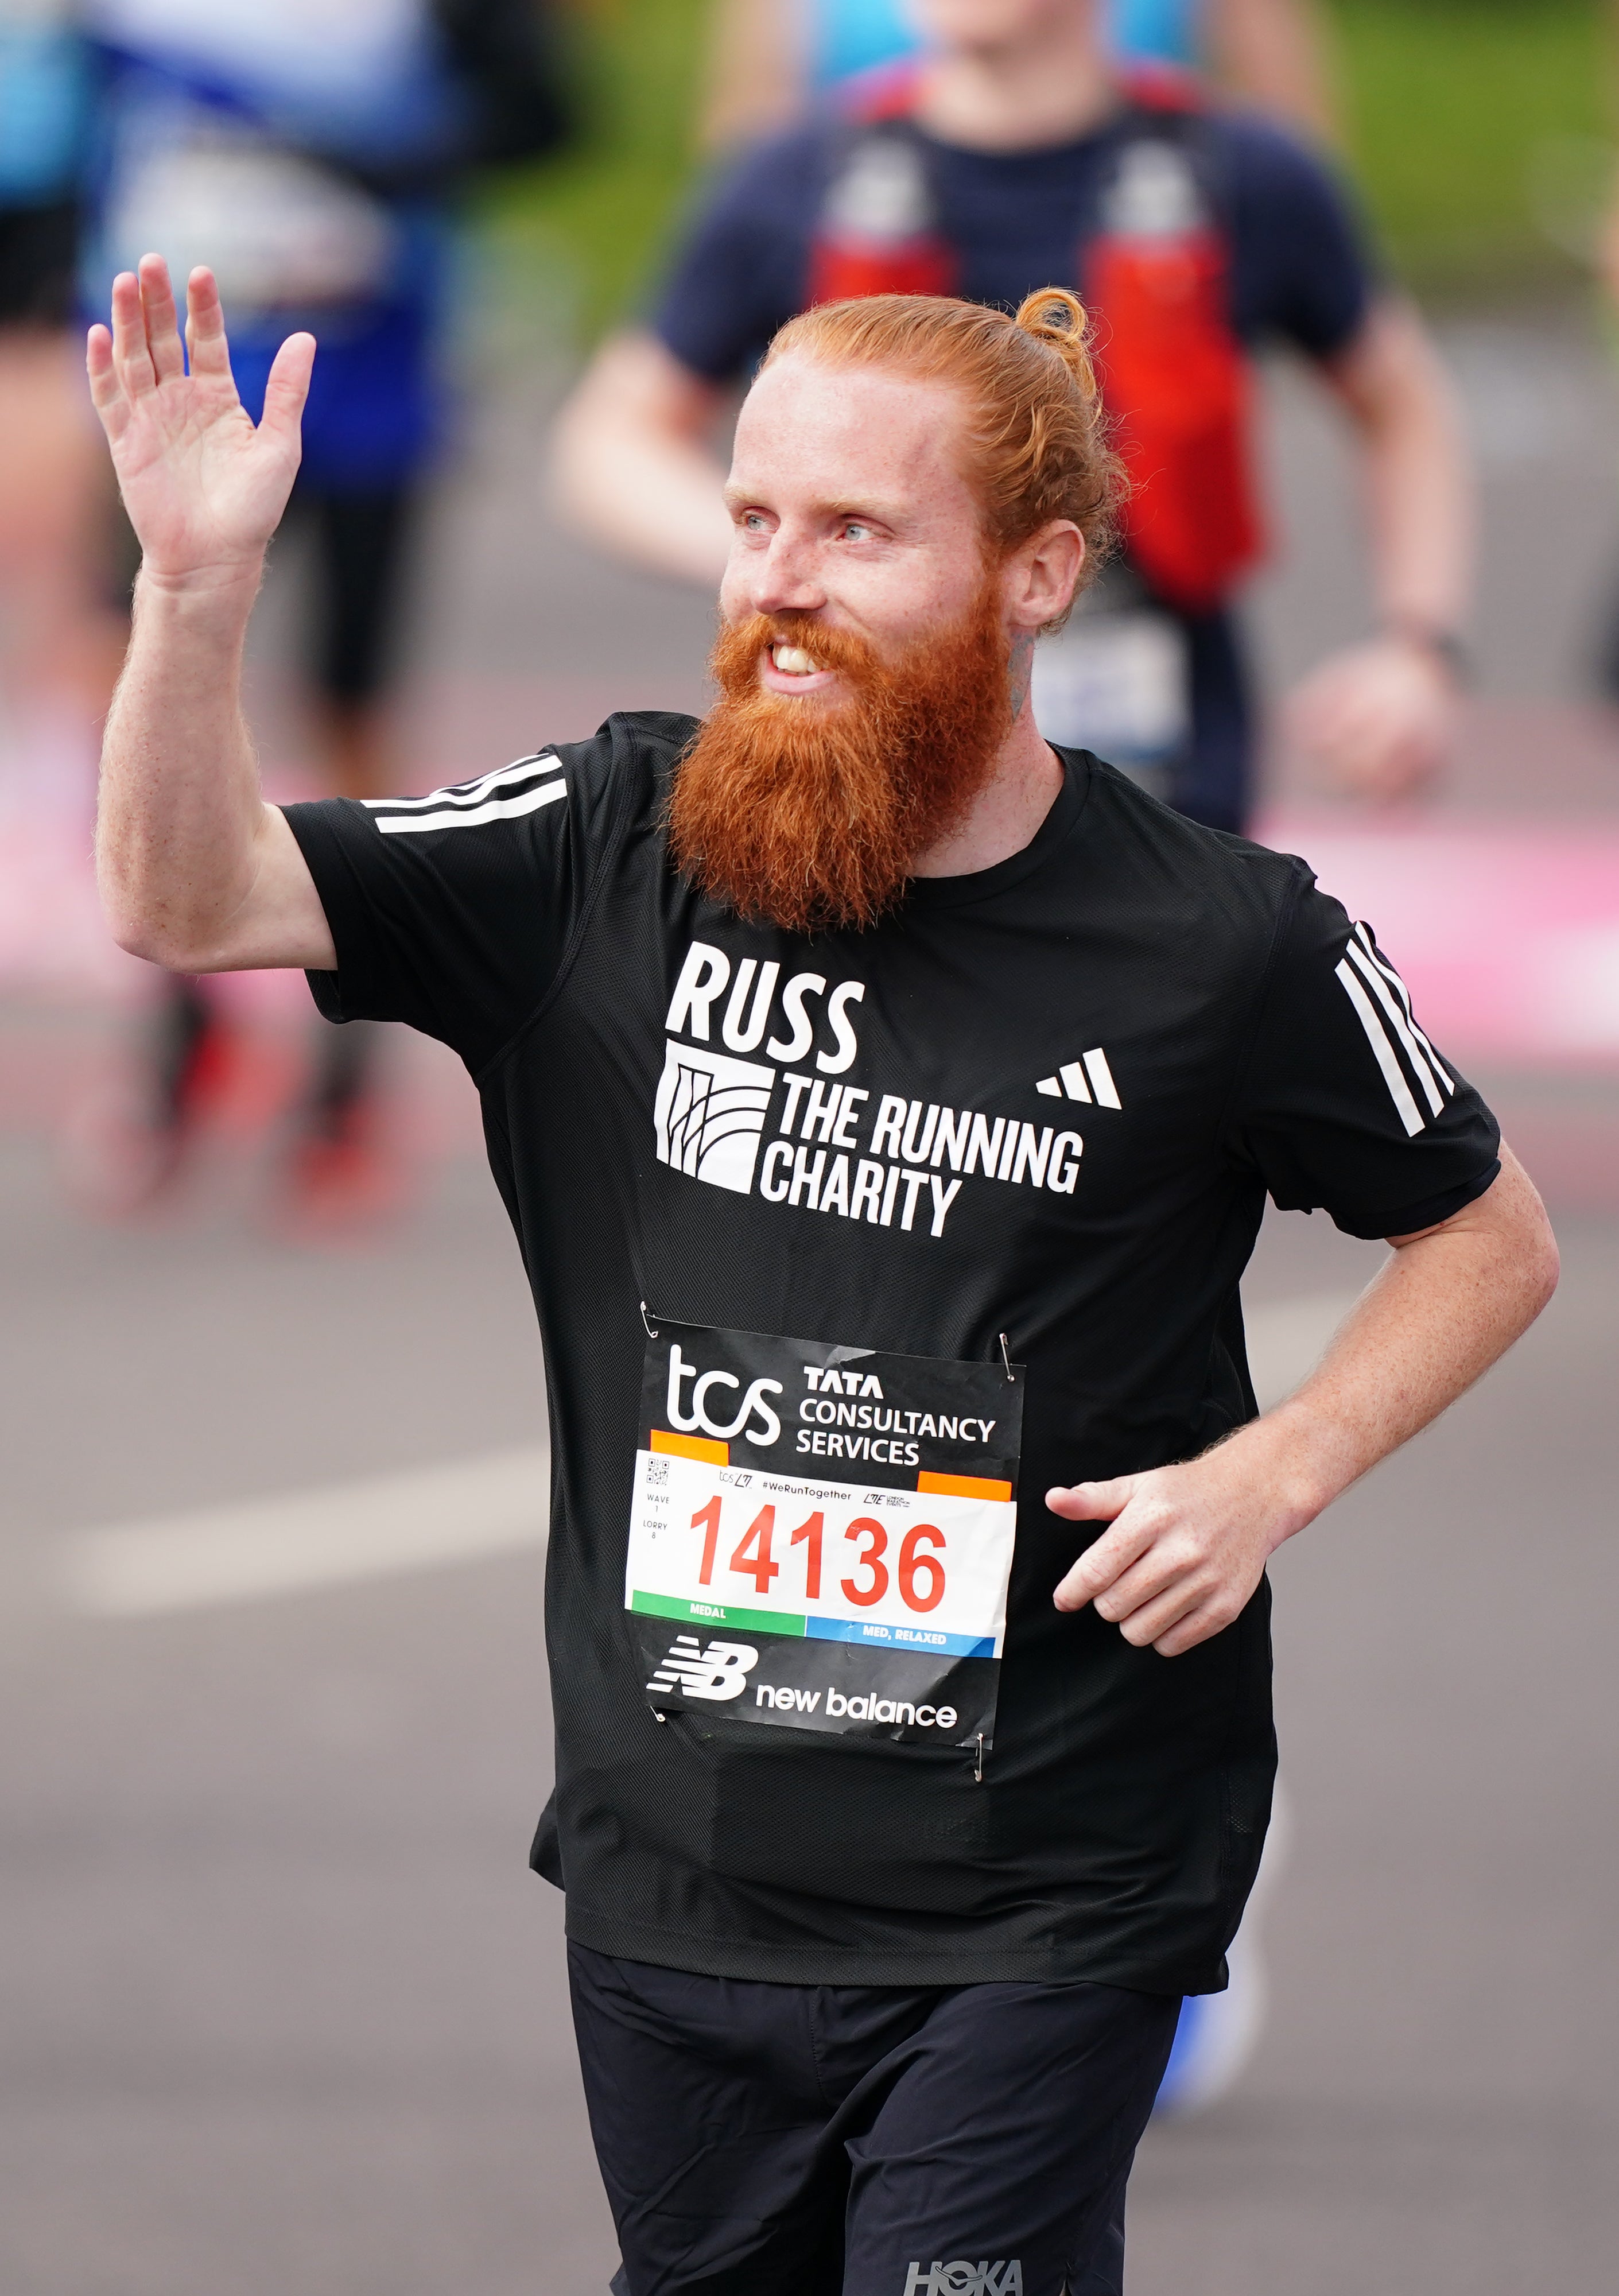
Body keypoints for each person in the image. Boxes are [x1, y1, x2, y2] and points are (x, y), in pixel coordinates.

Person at [90, 258, 1557, 2295]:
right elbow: (190, 900)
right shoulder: (604, 841)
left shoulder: (1223, 941)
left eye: (857, 532)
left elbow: (1481, 1230)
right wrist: (193, 596)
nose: (779, 579)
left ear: (1036, 576)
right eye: (755, 516)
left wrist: (1275, 1464)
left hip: (1048, 1876)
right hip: (678, 1875)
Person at [555, 0, 1469, 838]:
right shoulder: (795, 177)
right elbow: (612, 437)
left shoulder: (1244, 175)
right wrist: (796, 559)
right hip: (852, 760)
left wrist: (1419, 646)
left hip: (1163, 761)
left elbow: (1400, 403)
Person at [77, 0, 567, 1219]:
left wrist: (381, 157)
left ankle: (344, 1085)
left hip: (357, 383)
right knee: (136, 683)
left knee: (347, 709)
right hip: (160, 385)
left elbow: (544, 116)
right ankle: (178, 1045)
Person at [701, 0, 1338, 153]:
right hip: (874, 258)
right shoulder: (791, 173)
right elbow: (748, 122)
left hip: (1137, 259)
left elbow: (1289, 112)